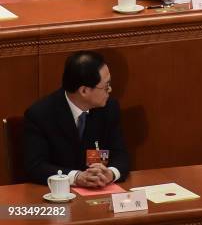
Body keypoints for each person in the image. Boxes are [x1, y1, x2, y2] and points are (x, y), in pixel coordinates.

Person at [23, 51, 130, 187]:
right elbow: (35, 166)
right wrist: (76, 177)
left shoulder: (108, 108)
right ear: (84, 91)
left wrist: (111, 173)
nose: (110, 89)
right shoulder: (40, 115)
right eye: (106, 86)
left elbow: (121, 155)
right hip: (58, 196)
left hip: (98, 192)